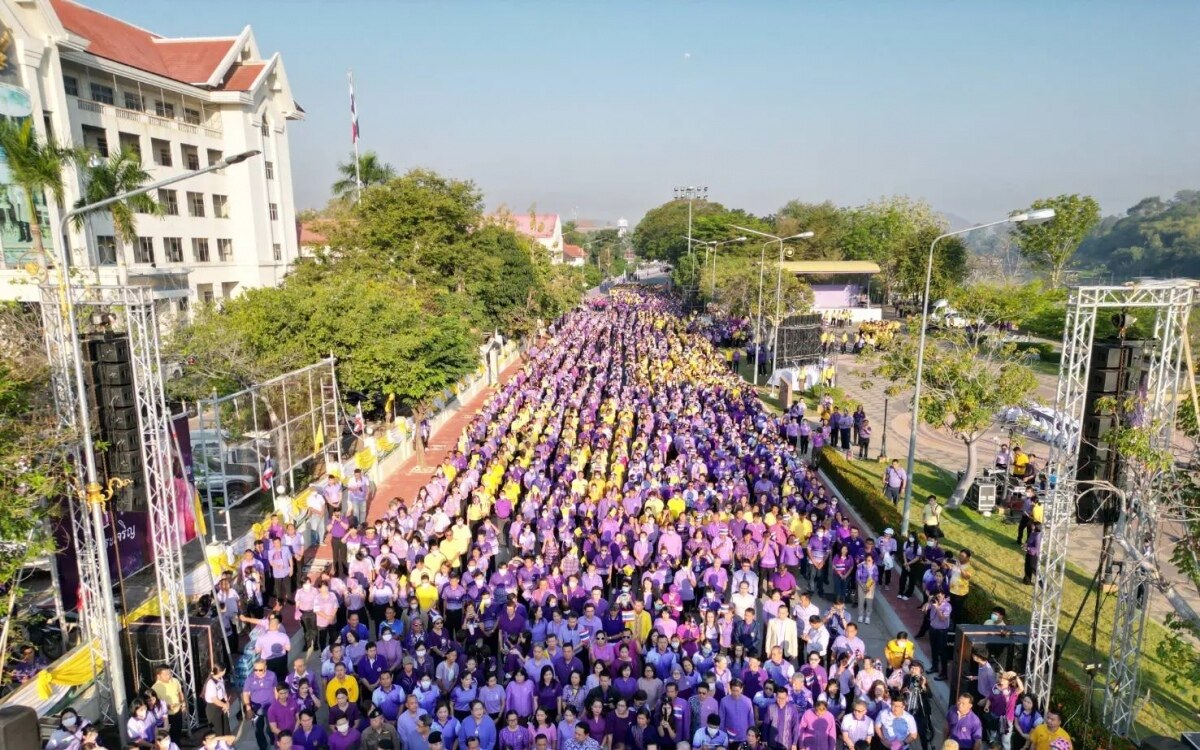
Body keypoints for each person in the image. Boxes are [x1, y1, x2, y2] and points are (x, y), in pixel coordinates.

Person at [152, 665, 186, 742]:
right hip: (165, 717)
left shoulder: (175, 681)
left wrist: (183, 704)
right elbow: (154, 705)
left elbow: (180, 693)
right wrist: (166, 707)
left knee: (177, 735)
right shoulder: (154, 688)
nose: (169, 676)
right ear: (159, 676)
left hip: (177, 712)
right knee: (167, 737)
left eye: (170, 673)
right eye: (166, 674)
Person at [204, 665, 234, 736]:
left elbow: (223, 692)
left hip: (222, 704)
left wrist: (227, 703)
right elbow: (214, 699)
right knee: (218, 730)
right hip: (214, 708)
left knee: (226, 728)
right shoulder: (211, 683)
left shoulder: (220, 679)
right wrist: (224, 705)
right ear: (222, 671)